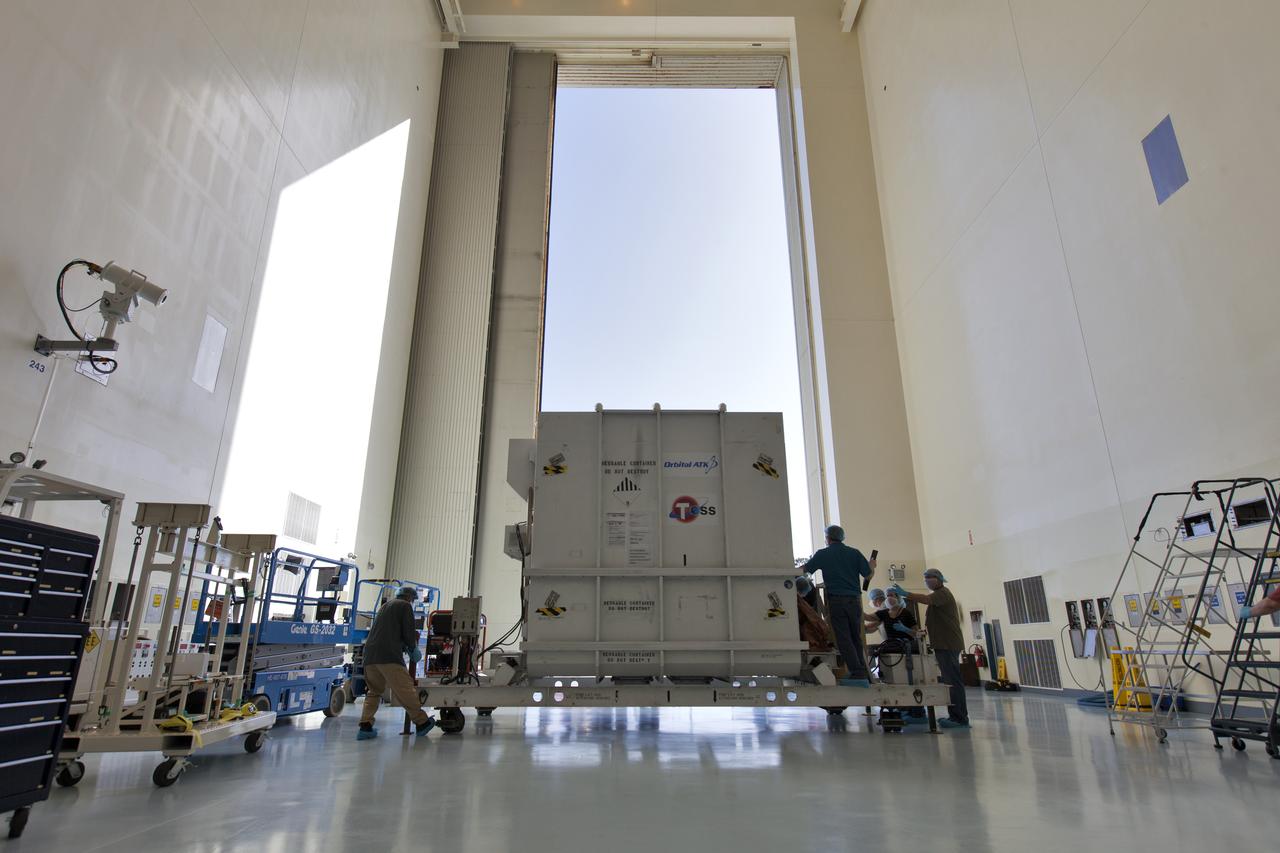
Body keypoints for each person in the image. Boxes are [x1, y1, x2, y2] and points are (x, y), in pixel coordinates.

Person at [357, 586, 437, 740]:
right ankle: (422, 722)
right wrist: (413, 649)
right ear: (410, 598)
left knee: (374, 692)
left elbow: (388, 630)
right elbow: (408, 632)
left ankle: (365, 726)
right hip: (389, 656)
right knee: (405, 689)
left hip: (370, 656)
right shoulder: (405, 606)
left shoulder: (385, 607)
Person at [892, 568, 969, 729]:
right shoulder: (938, 597)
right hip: (942, 644)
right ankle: (955, 716)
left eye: (931, 577)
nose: (927, 580)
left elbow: (926, 599)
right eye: (925, 578)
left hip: (948, 644)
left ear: (940, 578)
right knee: (950, 681)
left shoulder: (943, 593)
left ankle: (960, 718)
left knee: (953, 681)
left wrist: (906, 593)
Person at [803, 524, 875, 687]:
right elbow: (868, 574)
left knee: (843, 638)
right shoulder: (854, 553)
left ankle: (857, 672)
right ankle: (861, 670)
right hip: (855, 601)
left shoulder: (823, 554)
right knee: (855, 636)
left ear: (827, 538)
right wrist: (872, 566)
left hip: (837, 601)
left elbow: (805, 570)